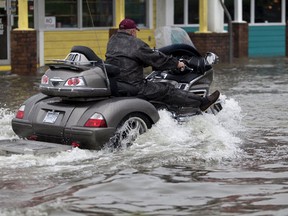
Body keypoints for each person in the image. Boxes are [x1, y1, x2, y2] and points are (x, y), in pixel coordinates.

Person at [105, 18, 220, 111]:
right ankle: (203, 103)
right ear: (133, 31)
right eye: (135, 32)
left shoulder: (112, 41)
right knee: (167, 90)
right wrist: (177, 64)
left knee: (154, 83)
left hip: (118, 84)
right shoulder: (136, 44)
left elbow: (132, 59)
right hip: (135, 85)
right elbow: (156, 58)